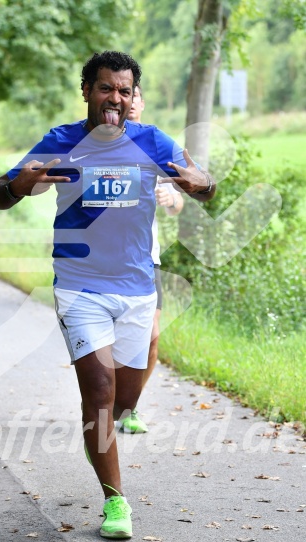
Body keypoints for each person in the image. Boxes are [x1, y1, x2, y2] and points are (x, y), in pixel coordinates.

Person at [0, 51, 215, 540]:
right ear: (88, 90)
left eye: (124, 90)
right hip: (79, 285)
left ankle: (103, 434)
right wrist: (15, 185)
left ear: (133, 96)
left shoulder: (152, 141)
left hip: (136, 287)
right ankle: (116, 502)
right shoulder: (61, 141)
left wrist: (204, 184)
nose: (115, 98)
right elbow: (1, 194)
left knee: (125, 399)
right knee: (99, 391)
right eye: (106, 87)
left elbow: (201, 185)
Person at [116, 84, 184, 434]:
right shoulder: (105, 144)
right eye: (122, 96)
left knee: (152, 336)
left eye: (134, 95)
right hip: (105, 261)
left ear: (140, 103)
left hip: (147, 259)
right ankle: (103, 398)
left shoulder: (155, 145)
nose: (127, 102)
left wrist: (168, 199)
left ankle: (130, 408)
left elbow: (177, 205)